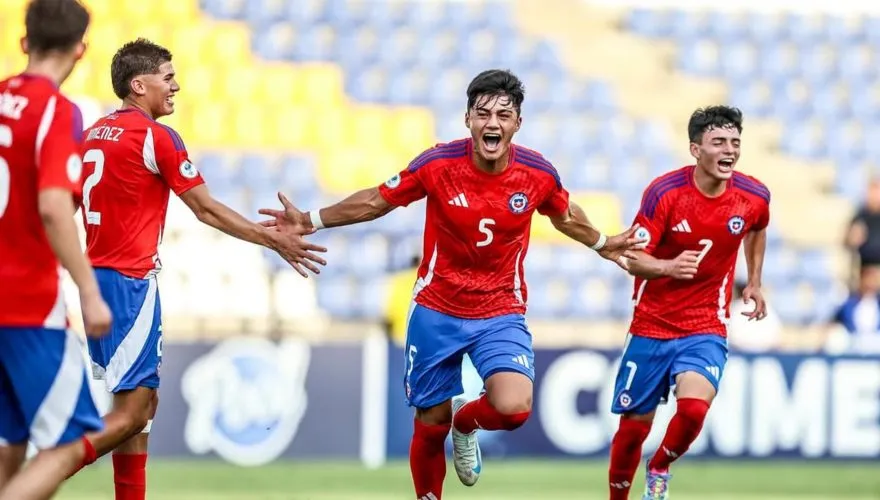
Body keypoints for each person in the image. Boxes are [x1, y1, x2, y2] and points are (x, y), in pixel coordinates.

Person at [260, 69, 643, 500]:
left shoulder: (537, 173)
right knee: (430, 423)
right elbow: (376, 201)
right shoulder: (438, 164)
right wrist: (310, 220)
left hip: (500, 309)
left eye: (503, 115)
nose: (492, 123)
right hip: (437, 309)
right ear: (468, 119)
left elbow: (565, 214)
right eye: (483, 114)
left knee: (513, 407)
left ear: (517, 123)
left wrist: (603, 243)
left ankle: (466, 422)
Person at [67, 38, 326, 499]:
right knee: (133, 412)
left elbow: (66, 203)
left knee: (141, 408)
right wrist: (271, 238)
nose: (176, 86)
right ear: (138, 84)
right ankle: (41, 466)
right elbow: (205, 209)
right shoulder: (156, 137)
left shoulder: (92, 134)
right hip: (130, 285)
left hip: (97, 281)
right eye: (167, 78)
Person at [606, 106, 771, 500]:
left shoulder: (753, 196)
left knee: (694, 409)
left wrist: (755, 281)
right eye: (719, 142)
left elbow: (758, 227)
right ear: (696, 150)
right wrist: (668, 266)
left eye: (735, 142)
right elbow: (632, 257)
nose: (729, 150)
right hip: (651, 324)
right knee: (632, 430)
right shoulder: (665, 193)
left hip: (705, 324)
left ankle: (660, 466)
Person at [0, 1, 112, 499]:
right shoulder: (57, 110)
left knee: (10, 441)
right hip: (26, 303)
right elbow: (52, 206)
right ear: (80, 50)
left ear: (25, 42)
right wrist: (89, 290)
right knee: (68, 444)